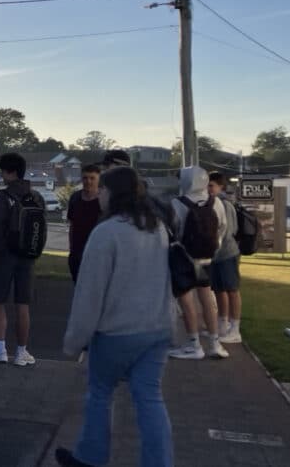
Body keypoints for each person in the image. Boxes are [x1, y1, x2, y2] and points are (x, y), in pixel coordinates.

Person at [55, 167, 174, 467]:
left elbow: (90, 293)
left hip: (116, 332)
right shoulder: (157, 227)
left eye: (103, 189)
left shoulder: (106, 233)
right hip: (158, 328)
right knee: (150, 399)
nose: (99, 195)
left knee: (100, 393)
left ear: (112, 193)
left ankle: (91, 456)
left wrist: (74, 340)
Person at [0, 152, 43, 366]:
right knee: (22, 304)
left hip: (4, 256)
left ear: (11, 172)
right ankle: (21, 352)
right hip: (27, 256)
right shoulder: (36, 197)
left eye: (3, 171)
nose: (1, 174)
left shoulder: (2, 197)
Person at [168, 166, 230, 360]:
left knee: (187, 301)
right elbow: (222, 227)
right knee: (207, 299)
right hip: (207, 257)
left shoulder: (177, 203)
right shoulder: (216, 202)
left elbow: (173, 229)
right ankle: (214, 342)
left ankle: (193, 344)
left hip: (183, 257)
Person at [207, 172, 243, 344]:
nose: (208, 189)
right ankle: (222, 324)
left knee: (232, 290)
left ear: (220, 186)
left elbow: (228, 231)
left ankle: (235, 329)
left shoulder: (224, 204)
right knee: (219, 290)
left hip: (227, 253)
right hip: (215, 255)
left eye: (211, 185)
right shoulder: (210, 202)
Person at [67, 164, 102, 283]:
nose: (88, 181)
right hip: (77, 252)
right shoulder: (75, 198)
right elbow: (72, 224)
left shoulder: (104, 200)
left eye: (92, 178)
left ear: (98, 179)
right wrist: (71, 248)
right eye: (85, 178)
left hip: (97, 252)